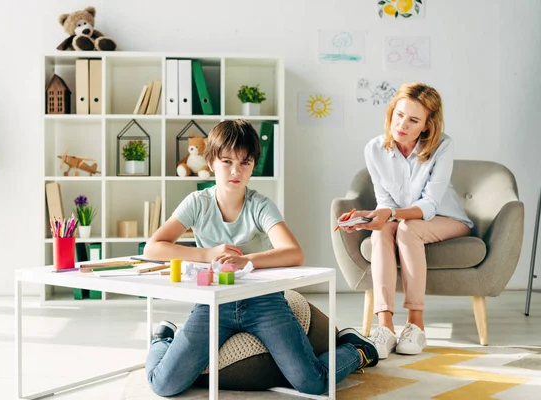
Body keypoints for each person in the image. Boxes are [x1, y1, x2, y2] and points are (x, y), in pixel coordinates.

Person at [143, 119, 378, 397]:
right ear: (211, 162)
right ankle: (164, 338)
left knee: (312, 383)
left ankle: (355, 349)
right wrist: (208, 254)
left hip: (264, 302)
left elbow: (293, 252)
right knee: (163, 384)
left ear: (254, 165)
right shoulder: (198, 203)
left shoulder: (260, 205)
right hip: (214, 303)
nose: (235, 171)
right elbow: (153, 248)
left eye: (245, 162)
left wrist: (248, 260)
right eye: (227, 161)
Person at [338, 82, 473, 359]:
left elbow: (430, 205)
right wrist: (372, 217)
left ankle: (415, 324)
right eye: (399, 115)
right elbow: (385, 201)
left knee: (407, 229)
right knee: (380, 234)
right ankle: (384, 327)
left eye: (413, 120)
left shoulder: (443, 146)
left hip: (446, 218)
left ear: (426, 125)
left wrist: (390, 214)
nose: (402, 124)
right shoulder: (374, 149)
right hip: (401, 219)